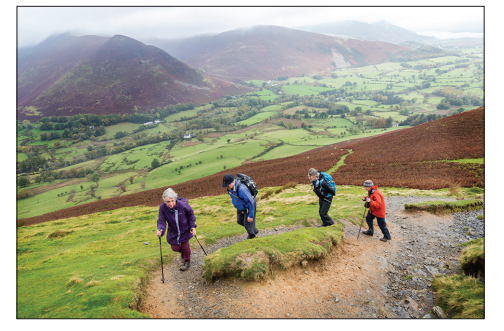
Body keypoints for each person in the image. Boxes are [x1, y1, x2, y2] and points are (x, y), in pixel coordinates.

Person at [156, 188, 197, 271]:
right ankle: (184, 253)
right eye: (168, 202)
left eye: (172, 201)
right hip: (173, 231)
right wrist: (160, 229)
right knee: (175, 248)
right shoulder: (163, 208)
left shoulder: (183, 205)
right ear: (164, 201)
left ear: (175, 199)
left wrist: (192, 226)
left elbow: (191, 216)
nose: (171, 203)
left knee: (185, 247)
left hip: (184, 230)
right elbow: (161, 220)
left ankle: (187, 261)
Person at [222, 174, 259, 239]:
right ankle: (254, 230)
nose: (226, 187)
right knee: (239, 221)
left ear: (232, 182)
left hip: (248, 207)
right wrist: (234, 203)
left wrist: (250, 216)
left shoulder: (242, 189)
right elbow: (232, 195)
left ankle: (252, 238)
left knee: (248, 225)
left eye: (227, 185)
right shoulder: (230, 187)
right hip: (240, 207)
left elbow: (251, 202)